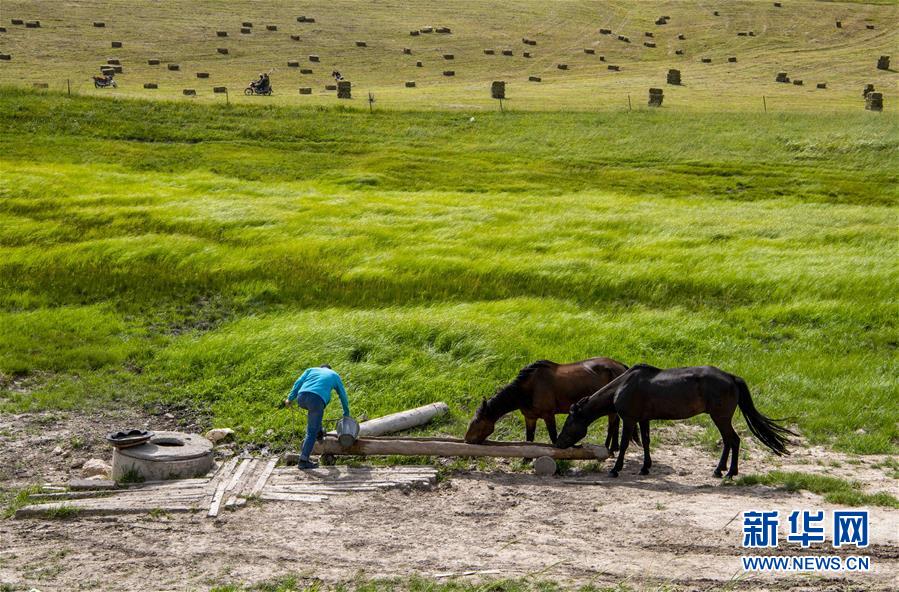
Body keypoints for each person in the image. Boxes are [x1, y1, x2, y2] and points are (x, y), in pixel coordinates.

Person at [284, 365, 350, 469]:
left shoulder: (311, 370)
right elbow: (342, 395)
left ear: (321, 368)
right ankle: (303, 461)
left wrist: (290, 398)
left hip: (301, 398)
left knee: (314, 419)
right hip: (316, 399)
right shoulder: (334, 375)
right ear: (329, 369)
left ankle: (319, 432)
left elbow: (298, 382)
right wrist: (346, 413)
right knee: (311, 432)